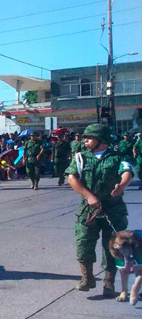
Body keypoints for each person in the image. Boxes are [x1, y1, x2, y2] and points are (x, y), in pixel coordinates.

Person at [65, 124, 133, 296]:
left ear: (101, 140)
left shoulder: (117, 157)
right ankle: (87, 278)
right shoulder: (81, 157)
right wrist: (88, 195)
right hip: (89, 210)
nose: (85, 139)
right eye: (84, 137)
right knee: (83, 243)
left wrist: (121, 186)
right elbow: (71, 177)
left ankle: (109, 283)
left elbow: (127, 172)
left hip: (113, 209)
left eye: (90, 137)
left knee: (113, 247)